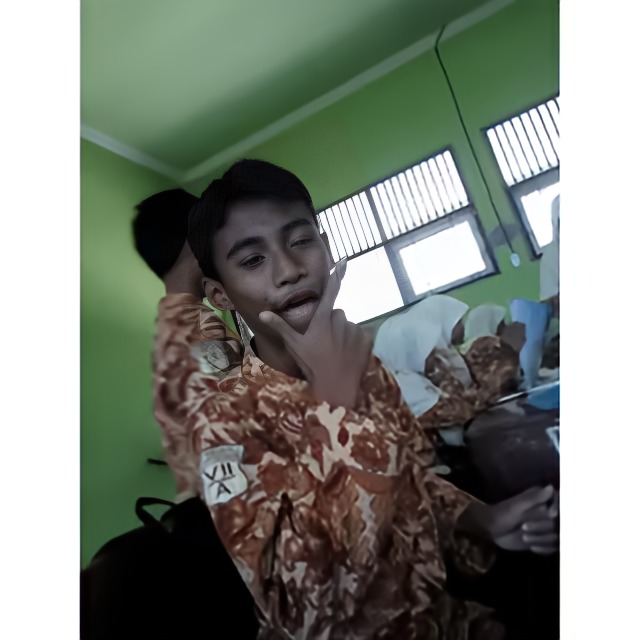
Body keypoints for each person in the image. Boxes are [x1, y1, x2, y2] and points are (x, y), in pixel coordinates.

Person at [153, 159, 558, 639]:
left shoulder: (364, 367)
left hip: (450, 616)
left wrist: (485, 520)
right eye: (253, 260)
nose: (290, 270)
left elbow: (414, 483)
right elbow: (304, 603)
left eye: (300, 240)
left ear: (325, 249)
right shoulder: (224, 423)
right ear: (220, 296)